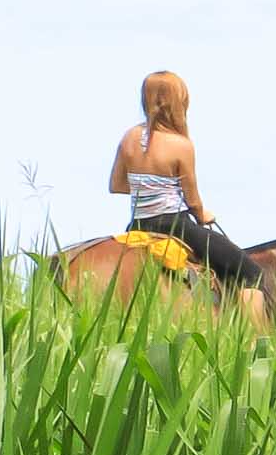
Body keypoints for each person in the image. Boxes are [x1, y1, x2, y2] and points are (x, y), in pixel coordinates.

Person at [109, 71, 267, 314]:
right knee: (252, 273)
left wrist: (149, 187)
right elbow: (193, 200)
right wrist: (204, 215)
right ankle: (255, 340)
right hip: (176, 226)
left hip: (137, 226)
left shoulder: (129, 137)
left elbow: (117, 185)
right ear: (179, 102)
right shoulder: (181, 145)